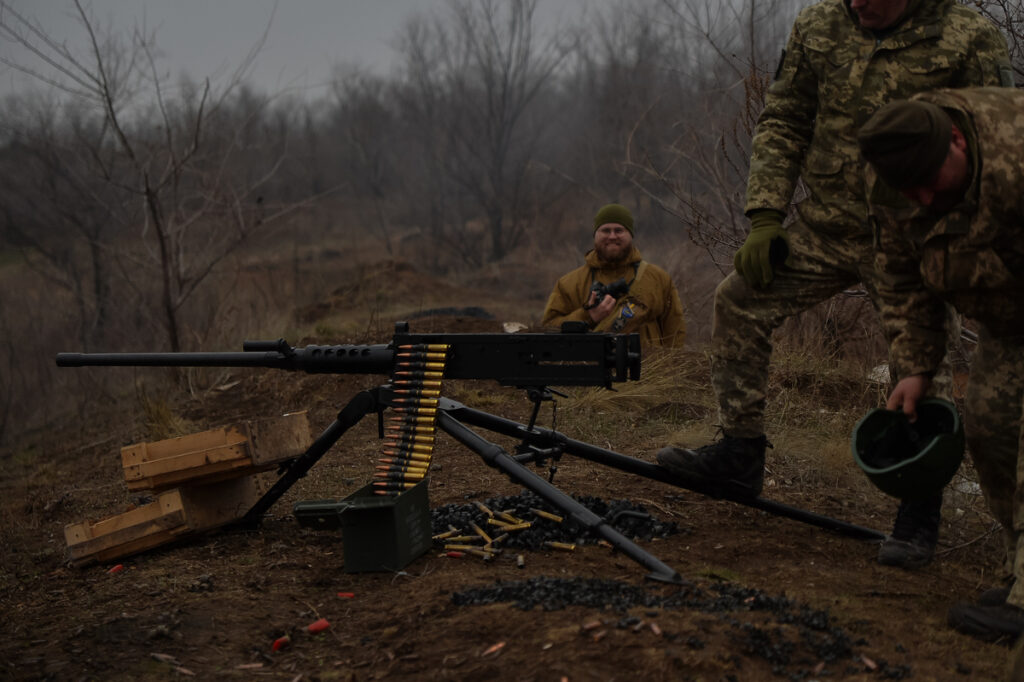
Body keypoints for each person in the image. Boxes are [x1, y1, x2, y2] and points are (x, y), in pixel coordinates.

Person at [655, 0, 1012, 569]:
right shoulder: (819, 23)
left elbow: (988, 139)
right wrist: (767, 214)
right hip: (827, 225)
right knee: (740, 300)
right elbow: (787, 115)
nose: (858, 4)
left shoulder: (967, 34)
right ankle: (739, 455)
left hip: (914, 232)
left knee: (921, 361)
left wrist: (960, 241)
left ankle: (918, 513)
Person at [856, 88, 1024, 642]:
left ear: (958, 139)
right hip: (1010, 316)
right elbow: (903, 277)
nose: (925, 199)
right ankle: (1015, 568)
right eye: (911, 190)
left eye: (932, 180)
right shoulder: (892, 180)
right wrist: (914, 365)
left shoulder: (1014, 153)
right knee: (992, 429)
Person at [542, 203, 686, 347]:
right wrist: (588, 317)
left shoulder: (658, 279)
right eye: (605, 230)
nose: (612, 236)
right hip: (591, 368)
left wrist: (672, 368)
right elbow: (546, 330)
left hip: (649, 368)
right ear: (595, 235)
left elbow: (675, 334)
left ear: (630, 234)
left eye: (619, 230)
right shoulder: (569, 283)